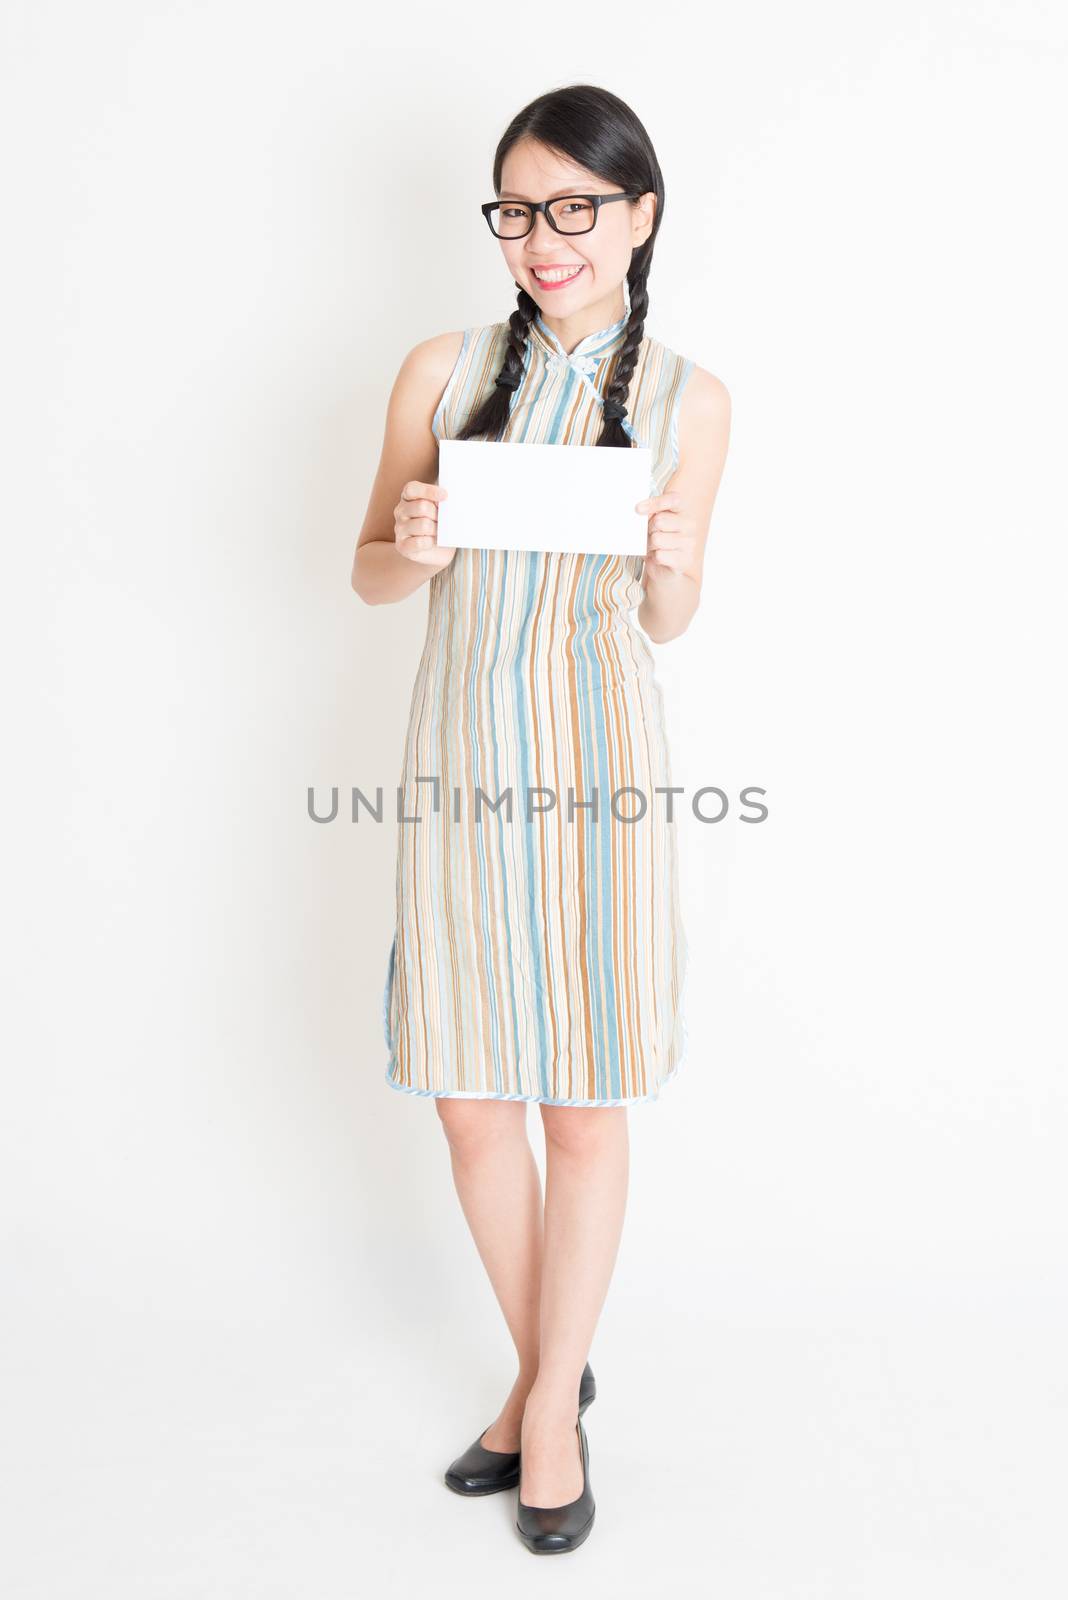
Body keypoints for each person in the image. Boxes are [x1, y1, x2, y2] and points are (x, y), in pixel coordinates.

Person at [352, 83, 731, 1554]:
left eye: (578, 206)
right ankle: (548, 1371)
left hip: (600, 779)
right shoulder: (442, 369)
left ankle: (546, 1411)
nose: (545, 238)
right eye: (520, 209)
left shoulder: (692, 396)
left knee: (581, 1102)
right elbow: (371, 578)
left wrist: (679, 563)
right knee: (466, 1099)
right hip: (457, 766)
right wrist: (408, 536)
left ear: (639, 214)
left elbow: (668, 620)